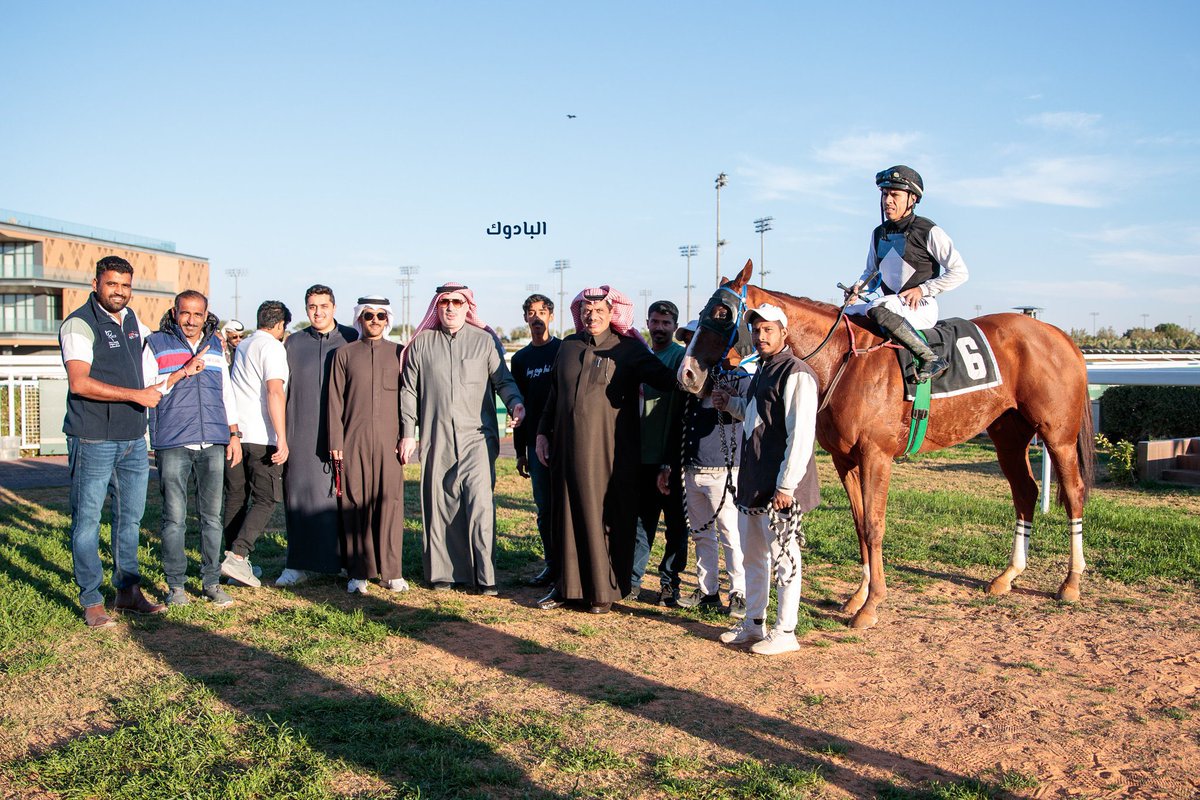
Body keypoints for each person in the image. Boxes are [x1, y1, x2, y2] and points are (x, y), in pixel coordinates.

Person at [535, 286, 678, 614]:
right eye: (586, 310)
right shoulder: (568, 346)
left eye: (599, 310)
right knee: (566, 515)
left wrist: (703, 367)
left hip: (610, 456)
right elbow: (554, 395)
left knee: (604, 517)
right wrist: (542, 433)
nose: (592, 316)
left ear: (613, 313)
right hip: (565, 452)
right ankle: (566, 588)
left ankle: (602, 591)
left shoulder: (627, 348)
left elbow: (668, 380)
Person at [59, 256, 167, 628]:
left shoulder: (133, 320)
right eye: (111, 284)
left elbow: (156, 357)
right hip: (93, 437)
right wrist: (136, 396)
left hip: (133, 438)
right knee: (87, 522)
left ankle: (128, 592)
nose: (119, 291)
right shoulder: (78, 324)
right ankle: (91, 600)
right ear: (96, 285)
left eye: (125, 285)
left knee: (130, 520)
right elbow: (79, 383)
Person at [399, 283, 525, 594]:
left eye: (457, 302)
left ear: (467, 306)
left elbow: (503, 381)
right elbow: (409, 391)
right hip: (436, 434)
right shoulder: (421, 344)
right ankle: (443, 574)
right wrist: (408, 433)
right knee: (439, 502)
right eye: (445, 302)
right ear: (437, 306)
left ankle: (484, 576)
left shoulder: (484, 341)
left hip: (477, 437)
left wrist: (515, 403)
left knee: (480, 504)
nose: (451, 308)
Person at [712, 303, 819, 655]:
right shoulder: (762, 370)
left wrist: (787, 485)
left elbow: (800, 433)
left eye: (768, 329)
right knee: (753, 557)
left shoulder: (796, 372)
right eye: (756, 330)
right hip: (755, 480)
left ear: (784, 333)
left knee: (785, 558)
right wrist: (730, 403)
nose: (760, 336)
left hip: (779, 486)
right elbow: (756, 416)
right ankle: (754, 624)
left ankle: (786, 631)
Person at [144, 291, 241, 608]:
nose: (191, 320)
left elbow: (226, 392)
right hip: (173, 441)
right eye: (185, 313)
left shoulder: (215, 345)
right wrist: (182, 372)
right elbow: (147, 391)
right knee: (174, 519)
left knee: (212, 517)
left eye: (197, 314)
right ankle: (176, 586)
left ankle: (211, 582)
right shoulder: (156, 344)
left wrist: (234, 434)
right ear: (175, 312)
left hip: (213, 440)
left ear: (205, 315)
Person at [845, 165, 969, 383]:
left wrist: (923, 289)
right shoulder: (878, 233)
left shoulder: (929, 230)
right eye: (885, 194)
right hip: (890, 305)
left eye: (895, 195)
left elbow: (960, 272)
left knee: (878, 307)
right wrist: (858, 288)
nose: (887, 201)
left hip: (920, 307)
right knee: (844, 313)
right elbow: (871, 273)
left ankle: (930, 358)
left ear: (912, 199)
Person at [278, 285, 358, 587]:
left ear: (334, 307)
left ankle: (347, 563)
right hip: (301, 432)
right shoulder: (294, 342)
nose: (318, 312)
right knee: (299, 496)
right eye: (312, 306)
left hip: (343, 432)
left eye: (324, 306)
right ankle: (297, 564)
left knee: (343, 498)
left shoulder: (351, 338)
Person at [328, 297, 406, 595]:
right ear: (360, 319)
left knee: (390, 504)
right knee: (355, 504)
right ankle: (358, 571)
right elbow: (335, 401)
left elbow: (409, 399)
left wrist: (407, 436)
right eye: (369, 315)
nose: (375, 320)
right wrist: (336, 441)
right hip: (353, 442)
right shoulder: (344, 354)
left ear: (388, 319)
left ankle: (392, 572)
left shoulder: (399, 353)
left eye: (380, 315)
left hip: (390, 444)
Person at [671, 321, 748, 618]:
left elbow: (748, 411)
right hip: (693, 468)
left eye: (697, 340)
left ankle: (739, 592)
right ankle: (708, 591)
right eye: (689, 341)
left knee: (730, 533)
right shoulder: (689, 380)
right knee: (701, 533)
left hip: (723, 469)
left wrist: (728, 401)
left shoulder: (738, 377)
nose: (693, 348)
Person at [221, 300, 291, 587]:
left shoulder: (245, 344)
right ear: (280, 325)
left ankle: (229, 561)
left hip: (237, 433)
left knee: (236, 498)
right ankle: (238, 556)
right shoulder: (272, 347)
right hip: (262, 436)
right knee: (266, 498)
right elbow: (275, 391)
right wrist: (282, 438)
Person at [629, 300, 689, 606]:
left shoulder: (680, 358)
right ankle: (632, 581)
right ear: (647, 324)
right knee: (641, 523)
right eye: (655, 322)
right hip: (642, 456)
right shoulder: (642, 356)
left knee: (676, 526)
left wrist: (670, 460)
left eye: (666, 323)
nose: (660, 328)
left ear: (675, 327)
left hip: (673, 457)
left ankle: (670, 584)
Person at [510, 293, 561, 587]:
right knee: (544, 509)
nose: (537, 317)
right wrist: (520, 451)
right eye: (531, 312)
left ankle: (570, 566)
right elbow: (519, 408)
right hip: (534, 444)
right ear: (525, 318)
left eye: (542, 311)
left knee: (565, 505)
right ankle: (552, 565)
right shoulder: (521, 359)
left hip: (563, 441)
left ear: (551, 316)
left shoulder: (563, 350)